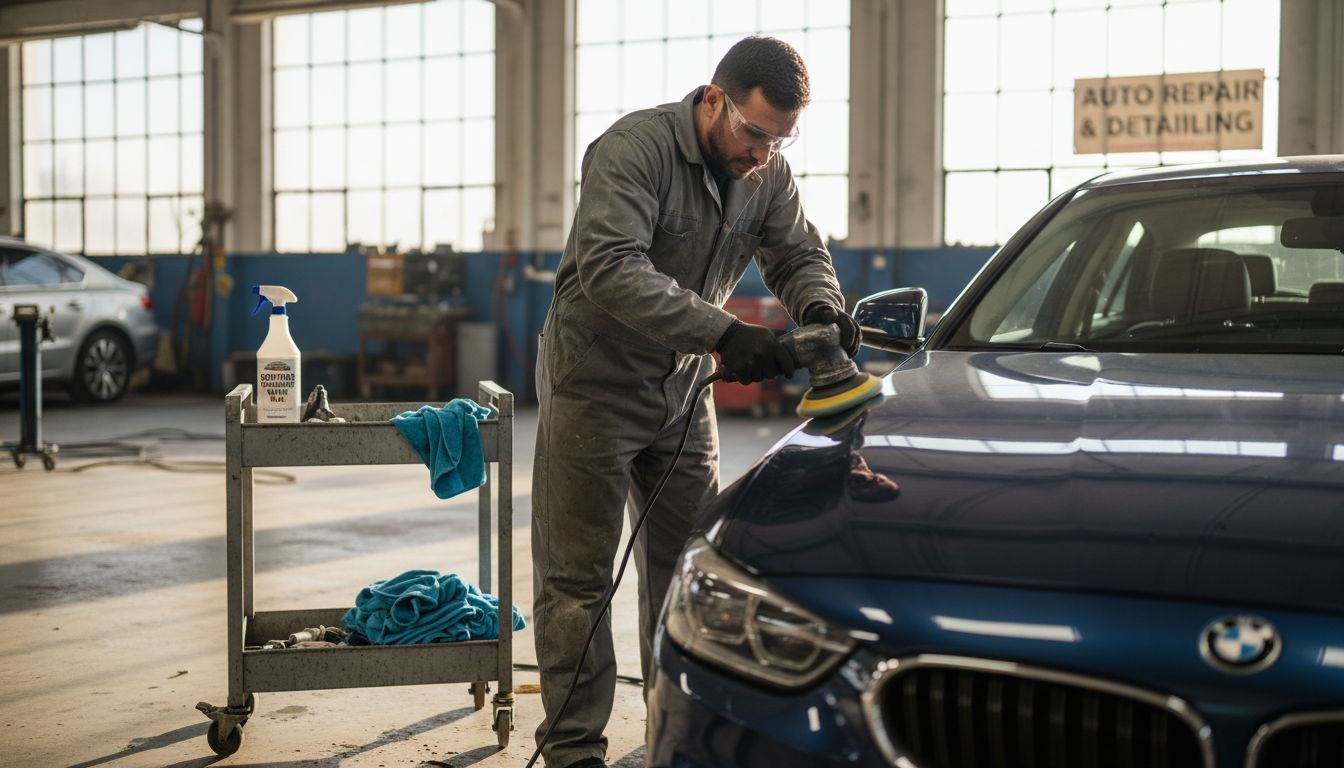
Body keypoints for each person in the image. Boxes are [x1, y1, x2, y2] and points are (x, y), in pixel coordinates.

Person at [531, 36, 860, 768]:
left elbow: (798, 253)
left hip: (682, 391)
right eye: (754, 134)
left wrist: (820, 308)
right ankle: (574, 750)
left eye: (782, 139)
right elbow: (612, 269)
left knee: (685, 573)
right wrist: (724, 332)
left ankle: (671, 736)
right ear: (714, 101)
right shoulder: (632, 151)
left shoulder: (766, 172)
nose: (764, 155)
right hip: (595, 384)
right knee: (576, 580)